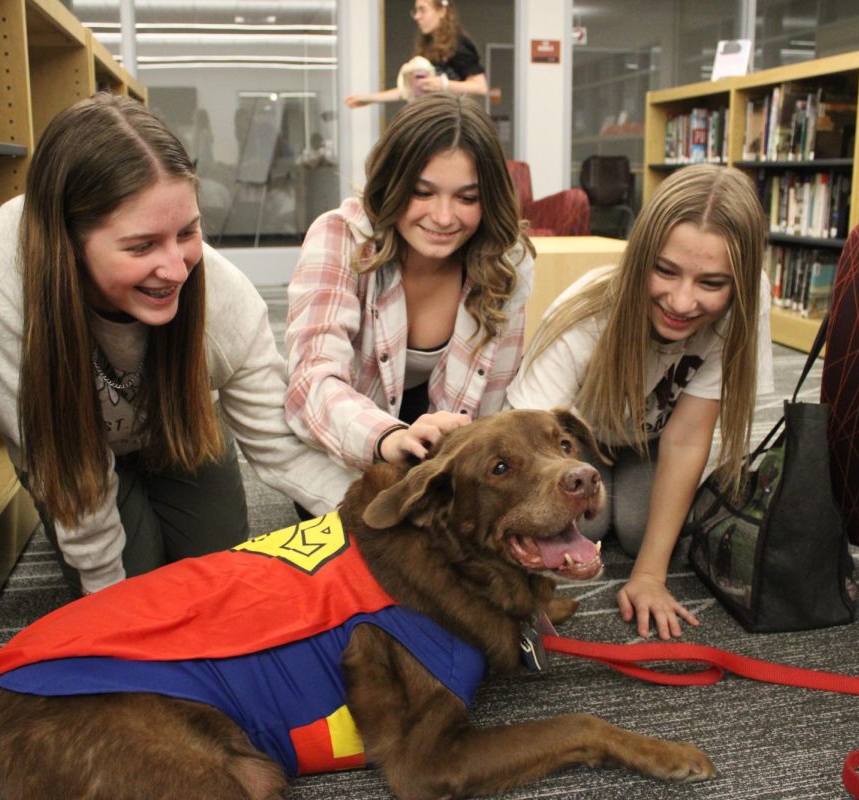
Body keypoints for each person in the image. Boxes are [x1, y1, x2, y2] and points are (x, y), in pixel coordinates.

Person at [0, 93, 353, 596]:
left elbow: (282, 445)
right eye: (141, 245)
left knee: (216, 576)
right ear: (69, 242)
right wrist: (111, 606)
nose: (177, 269)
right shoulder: (5, 276)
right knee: (140, 584)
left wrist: (383, 518)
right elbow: (66, 470)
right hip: (69, 452)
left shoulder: (223, 298)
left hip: (174, 425)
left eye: (188, 233)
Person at [506, 164, 774, 640]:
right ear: (640, 257)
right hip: (569, 448)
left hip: (650, 440)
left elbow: (688, 438)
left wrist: (649, 576)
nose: (682, 301)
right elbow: (527, 442)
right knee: (582, 528)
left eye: (711, 283)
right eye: (665, 271)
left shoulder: (748, 303)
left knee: (637, 530)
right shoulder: (585, 315)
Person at [286, 93, 533, 473]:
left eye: (467, 198)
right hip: (346, 451)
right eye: (422, 192)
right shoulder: (341, 236)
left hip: (451, 465)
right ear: (392, 182)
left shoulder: (507, 259)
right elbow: (311, 382)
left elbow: (494, 403)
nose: (444, 217)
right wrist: (389, 438)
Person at [345, 0, 488, 109]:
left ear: (442, 11)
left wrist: (443, 84)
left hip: (454, 119)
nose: (417, 16)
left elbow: (480, 87)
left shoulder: (459, 43)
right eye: (416, 11)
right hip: (432, 116)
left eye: (423, 10)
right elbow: (408, 91)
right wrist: (369, 99)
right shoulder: (428, 46)